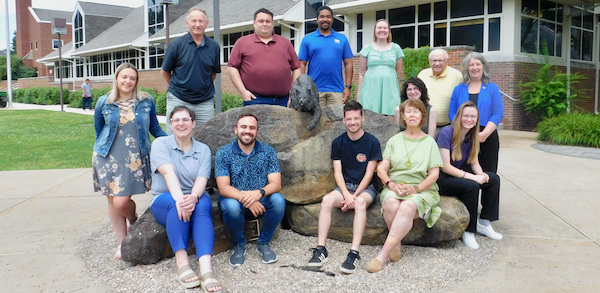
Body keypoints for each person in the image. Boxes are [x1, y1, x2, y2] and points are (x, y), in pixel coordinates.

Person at [92, 62, 167, 259]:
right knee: (113, 201)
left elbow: (155, 129)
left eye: (132, 78)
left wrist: (175, 142)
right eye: (124, 77)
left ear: (136, 81)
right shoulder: (103, 102)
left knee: (121, 202)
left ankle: (133, 219)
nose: (128, 81)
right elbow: (99, 131)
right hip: (107, 157)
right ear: (117, 78)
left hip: (135, 158)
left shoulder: (145, 101)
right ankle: (123, 243)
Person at [367, 99, 443, 273]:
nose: (412, 115)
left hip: (421, 189)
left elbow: (434, 175)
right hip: (395, 186)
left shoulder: (429, 142)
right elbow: (382, 168)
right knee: (392, 204)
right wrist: (391, 184)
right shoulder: (394, 140)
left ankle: (383, 255)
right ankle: (396, 244)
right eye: (408, 111)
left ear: (422, 116)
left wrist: (415, 189)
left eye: (416, 112)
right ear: (402, 116)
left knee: (407, 205)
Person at [150, 106, 222, 291]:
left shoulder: (203, 150)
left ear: (193, 123)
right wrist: (181, 200)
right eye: (176, 120)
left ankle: (206, 269)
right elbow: (168, 173)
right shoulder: (160, 144)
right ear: (171, 123)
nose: (181, 123)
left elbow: (201, 179)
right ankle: (182, 263)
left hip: (194, 195)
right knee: (176, 205)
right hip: (164, 199)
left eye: (185, 119)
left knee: (203, 204)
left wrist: (194, 197)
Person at [307, 101, 382, 274]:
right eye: (349, 119)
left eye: (356, 118)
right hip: (343, 187)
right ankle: (320, 249)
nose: (353, 122)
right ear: (344, 120)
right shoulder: (338, 143)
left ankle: (354, 253)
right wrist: (347, 195)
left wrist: (353, 197)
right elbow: (338, 173)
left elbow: (369, 174)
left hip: (366, 189)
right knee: (326, 200)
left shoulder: (372, 142)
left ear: (362, 118)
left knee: (360, 204)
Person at [215, 114, 286, 266]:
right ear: (236, 130)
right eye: (243, 127)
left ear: (257, 132)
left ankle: (263, 243)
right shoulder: (223, 153)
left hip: (260, 197)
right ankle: (239, 245)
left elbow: (276, 183)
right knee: (231, 207)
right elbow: (223, 187)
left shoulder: (268, 152)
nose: (247, 131)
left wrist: (258, 194)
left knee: (278, 201)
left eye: (252, 128)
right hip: (234, 199)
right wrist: (247, 200)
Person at [436, 101, 502, 250]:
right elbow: (445, 167)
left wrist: (482, 175)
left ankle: (484, 222)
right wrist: (473, 177)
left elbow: (473, 161)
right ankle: (468, 230)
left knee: (493, 179)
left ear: (477, 119)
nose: (469, 119)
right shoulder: (447, 133)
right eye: (466, 115)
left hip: (456, 175)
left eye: (473, 116)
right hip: (440, 179)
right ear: (459, 116)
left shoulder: (472, 135)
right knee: (471, 186)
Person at [161, 8, 221, 134]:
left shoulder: (214, 47)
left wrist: (203, 86)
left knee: (207, 137)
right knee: (173, 137)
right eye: (194, 21)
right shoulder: (176, 45)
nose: (197, 24)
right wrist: (178, 87)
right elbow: (165, 71)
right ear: (187, 23)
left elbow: (213, 72)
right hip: (178, 99)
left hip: (204, 102)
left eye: (201, 21)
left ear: (207, 24)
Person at [227, 8, 301, 107]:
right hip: (255, 100)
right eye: (261, 21)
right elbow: (232, 67)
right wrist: (243, 91)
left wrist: (294, 94)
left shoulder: (285, 43)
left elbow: (297, 67)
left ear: (272, 23)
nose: (265, 24)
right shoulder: (242, 42)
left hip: (284, 100)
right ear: (254, 23)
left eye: (268, 21)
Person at [448, 52, 504, 173]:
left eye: (477, 64)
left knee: (488, 174)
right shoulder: (458, 89)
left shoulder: (492, 88)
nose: (474, 68)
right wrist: (460, 130)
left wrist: (484, 135)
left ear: (483, 66)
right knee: (467, 173)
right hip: (464, 136)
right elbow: (452, 113)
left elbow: (497, 113)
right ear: (467, 68)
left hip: (486, 135)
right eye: (471, 65)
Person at [298, 6, 354, 107]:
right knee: (316, 120)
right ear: (317, 19)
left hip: (337, 90)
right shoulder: (308, 39)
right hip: (314, 90)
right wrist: (303, 87)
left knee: (337, 121)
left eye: (328, 17)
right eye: (322, 17)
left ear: (332, 19)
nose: (325, 19)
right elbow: (301, 64)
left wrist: (348, 87)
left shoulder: (342, 39)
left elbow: (348, 63)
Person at [356, 19, 403, 122]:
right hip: (370, 88)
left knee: (392, 115)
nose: (382, 30)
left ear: (389, 30)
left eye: (385, 28)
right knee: (370, 117)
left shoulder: (396, 48)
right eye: (379, 27)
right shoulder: (367, 49)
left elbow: (397, 71)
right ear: (375, 31)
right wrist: (359, 95)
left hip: (390, 87)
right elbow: (362, 72)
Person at [417, 48, 463, 127]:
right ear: (429, 61)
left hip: (447, 126)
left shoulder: (457, 76)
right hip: (424, 125)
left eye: (440, 60)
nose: (437, 63)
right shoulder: (422, 75)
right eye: (434, 60)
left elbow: (461, 102)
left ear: (447, 61)